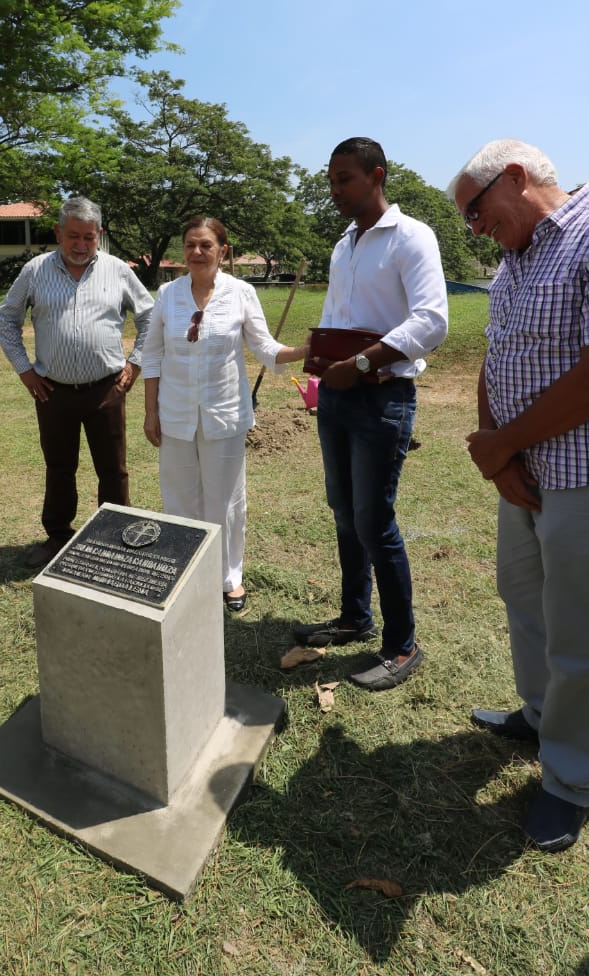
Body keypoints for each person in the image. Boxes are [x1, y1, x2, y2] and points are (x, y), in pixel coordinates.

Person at [448, 140, 589, 853]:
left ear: (514, 178)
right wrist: (488, 441)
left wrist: (505, 444)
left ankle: (569, 779)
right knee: (522, 599)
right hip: (521, 473)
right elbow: (496, 351)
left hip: (577, 474)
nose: (474, 229)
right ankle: (538, 718)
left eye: (475, 212)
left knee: (577, 635)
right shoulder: (515, 257)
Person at [291, 138, 448, 689]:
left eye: (344, 180)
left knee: (374, 522)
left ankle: (402, 646)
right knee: (343, 511)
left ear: (377, 175)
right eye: (331, 181)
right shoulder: (344, 245)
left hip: (382, 399)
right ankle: (355, 616)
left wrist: (359, 362)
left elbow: (431, 322)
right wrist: (323, 364)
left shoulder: (412, 237)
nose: (334, 191)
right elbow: (342, 315)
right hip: (335, 397)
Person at [142, 215, 308, 612]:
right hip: (176, 413)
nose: (196, 252)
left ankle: (228, 577)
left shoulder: (241, 293)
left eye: (205, 245)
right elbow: (152, 355)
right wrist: (151, 412)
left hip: (225, 413)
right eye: (189, 245)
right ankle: (183, 571)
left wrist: (305, 351)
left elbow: (265, 348)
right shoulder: (167, 294)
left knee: (226, 501)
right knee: (179, 497)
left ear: (223, 251)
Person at [0, 196, 154, 567]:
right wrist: (24, 369)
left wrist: (135, 365)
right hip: (53, 392)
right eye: (73, 236)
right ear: (57, 233)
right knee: (59, 467)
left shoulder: (118, 270)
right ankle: (58, 536)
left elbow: (150, 317)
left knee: (113, 469)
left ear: (99, 234)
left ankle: (117, 538)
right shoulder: (35, 271)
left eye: (89, 237)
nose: (81, 245)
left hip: (107, 388)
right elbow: (5, 321)